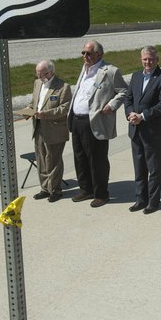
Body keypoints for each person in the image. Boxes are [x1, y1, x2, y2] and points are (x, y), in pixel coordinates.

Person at [67, 40, 128, 208]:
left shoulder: (110, 71)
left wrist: (111, 105)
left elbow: (124, 91)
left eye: (88, 53)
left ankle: (101, 194)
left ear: (99, 54)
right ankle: (86, 189)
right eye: (83, 53)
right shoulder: (84, 70)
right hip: (77, 120)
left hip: (95, 121)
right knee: (80, 157)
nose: (84, 56)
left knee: (97, 159)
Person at [124, 46, 161, 214]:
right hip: (135, 130)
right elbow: (128, 98)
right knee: (139, 168)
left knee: (154, 169)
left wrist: (143, 116)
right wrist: (130, 113)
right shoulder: (136, 76)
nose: (148, 62)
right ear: (141, 60)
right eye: (145, 59)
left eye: (151, 59)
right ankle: (141, 199)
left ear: (157, 60)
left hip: (154, 131)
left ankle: (153, 202)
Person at [27, 60, 72, 203]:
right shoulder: (37, 83)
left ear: (50, 72)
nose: (39, 76)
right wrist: (28, 111)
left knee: (53, 160)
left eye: (41, 74)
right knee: (41, 159)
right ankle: (45, 188)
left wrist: (45, 114)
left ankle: (56, 190)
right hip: (39, 127)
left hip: (54, 129)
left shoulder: (63, 87)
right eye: (37, 73)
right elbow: (34, 102)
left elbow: (64, 109)